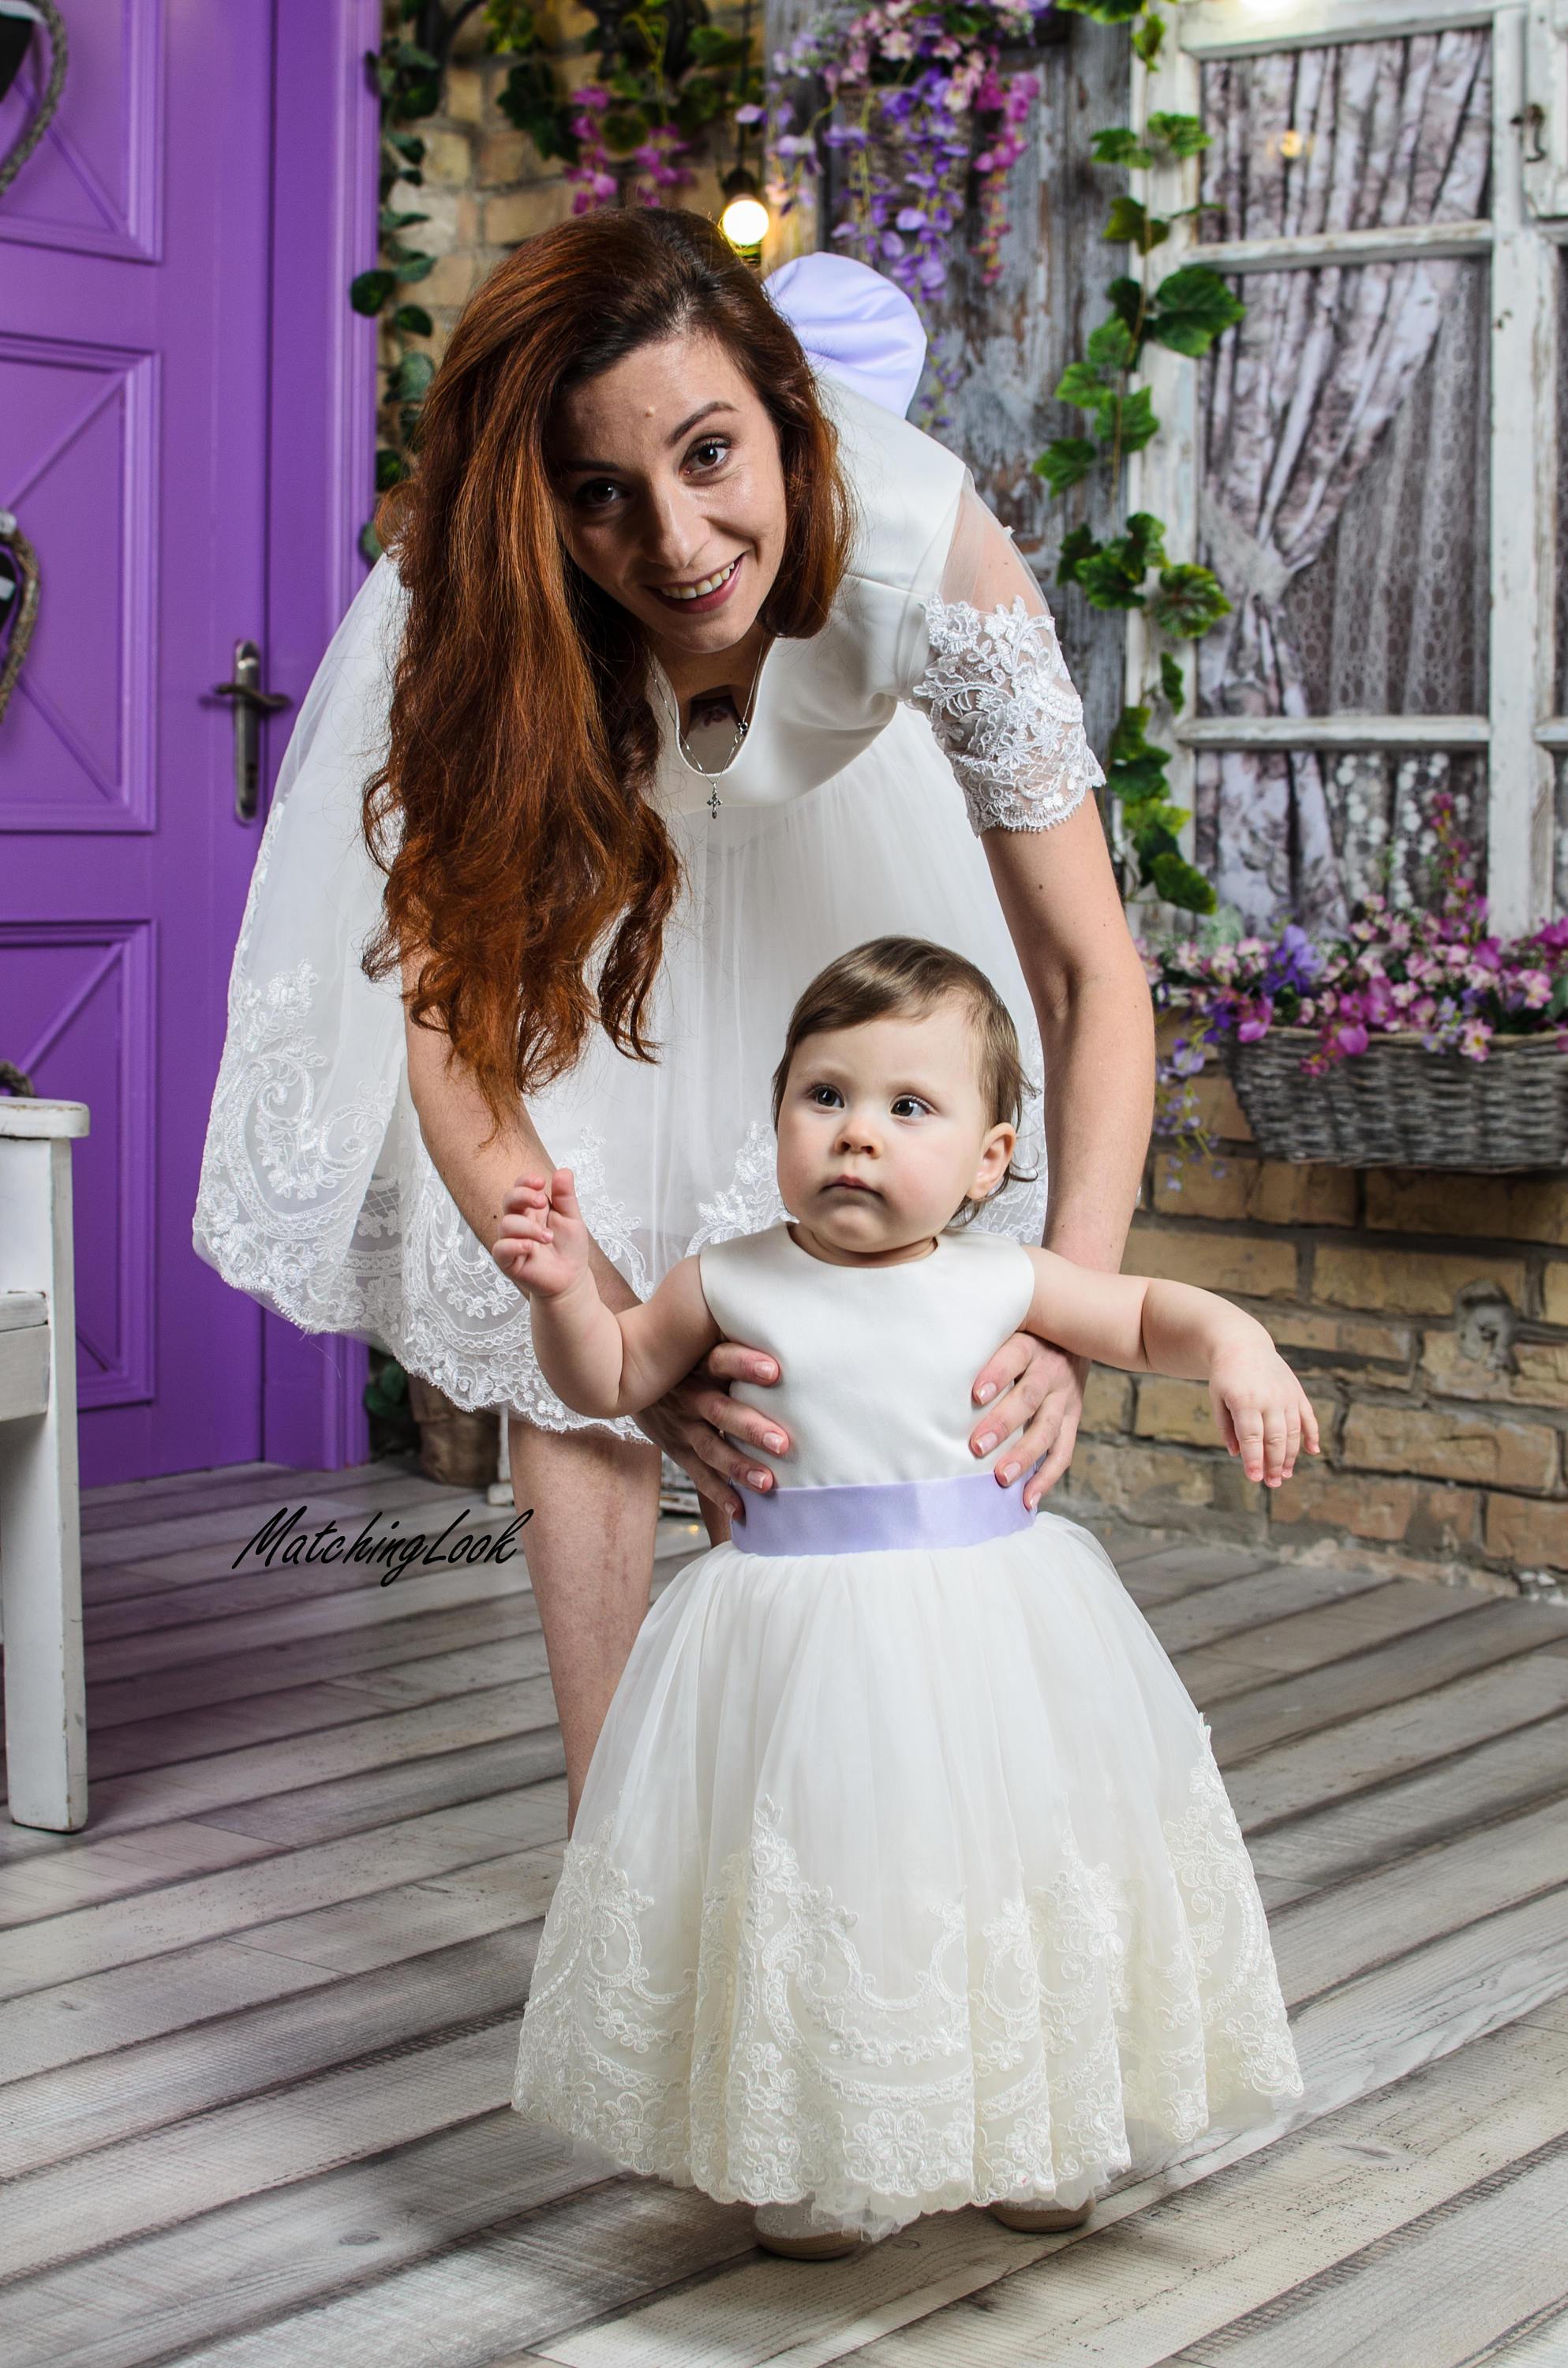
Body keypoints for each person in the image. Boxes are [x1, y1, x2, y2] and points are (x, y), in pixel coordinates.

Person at [192, 211, 1155, 1830]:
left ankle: (818, 1833)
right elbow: (453, 1012)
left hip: (826, 852)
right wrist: (613, 1342)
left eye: (715, 455)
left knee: (816, 1329)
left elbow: (1089, 976)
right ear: (543, 509)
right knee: (581, 1354)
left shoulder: (931, 551)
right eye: (603, 496)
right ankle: (616, 1847)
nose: (680, 538)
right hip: (583, 843)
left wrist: (1069, 1309)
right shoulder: (489, 598)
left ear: (788, 416)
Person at [502, 935, 1312, 2258]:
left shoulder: (1004, 1282)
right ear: (777, 1119)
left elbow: (1150, 1314)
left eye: (907, 1108)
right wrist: (556, 1292)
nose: (857, 1137)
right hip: (791, 1639)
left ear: (991, 1161)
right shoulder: (728, 1280)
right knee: (826, 1880)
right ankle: (821, 2140)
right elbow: (606, 1378)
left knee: (1005, 1869)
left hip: (985, 1636)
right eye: (824, 1098)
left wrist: (1240, 1341)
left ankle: (1042, 2121)